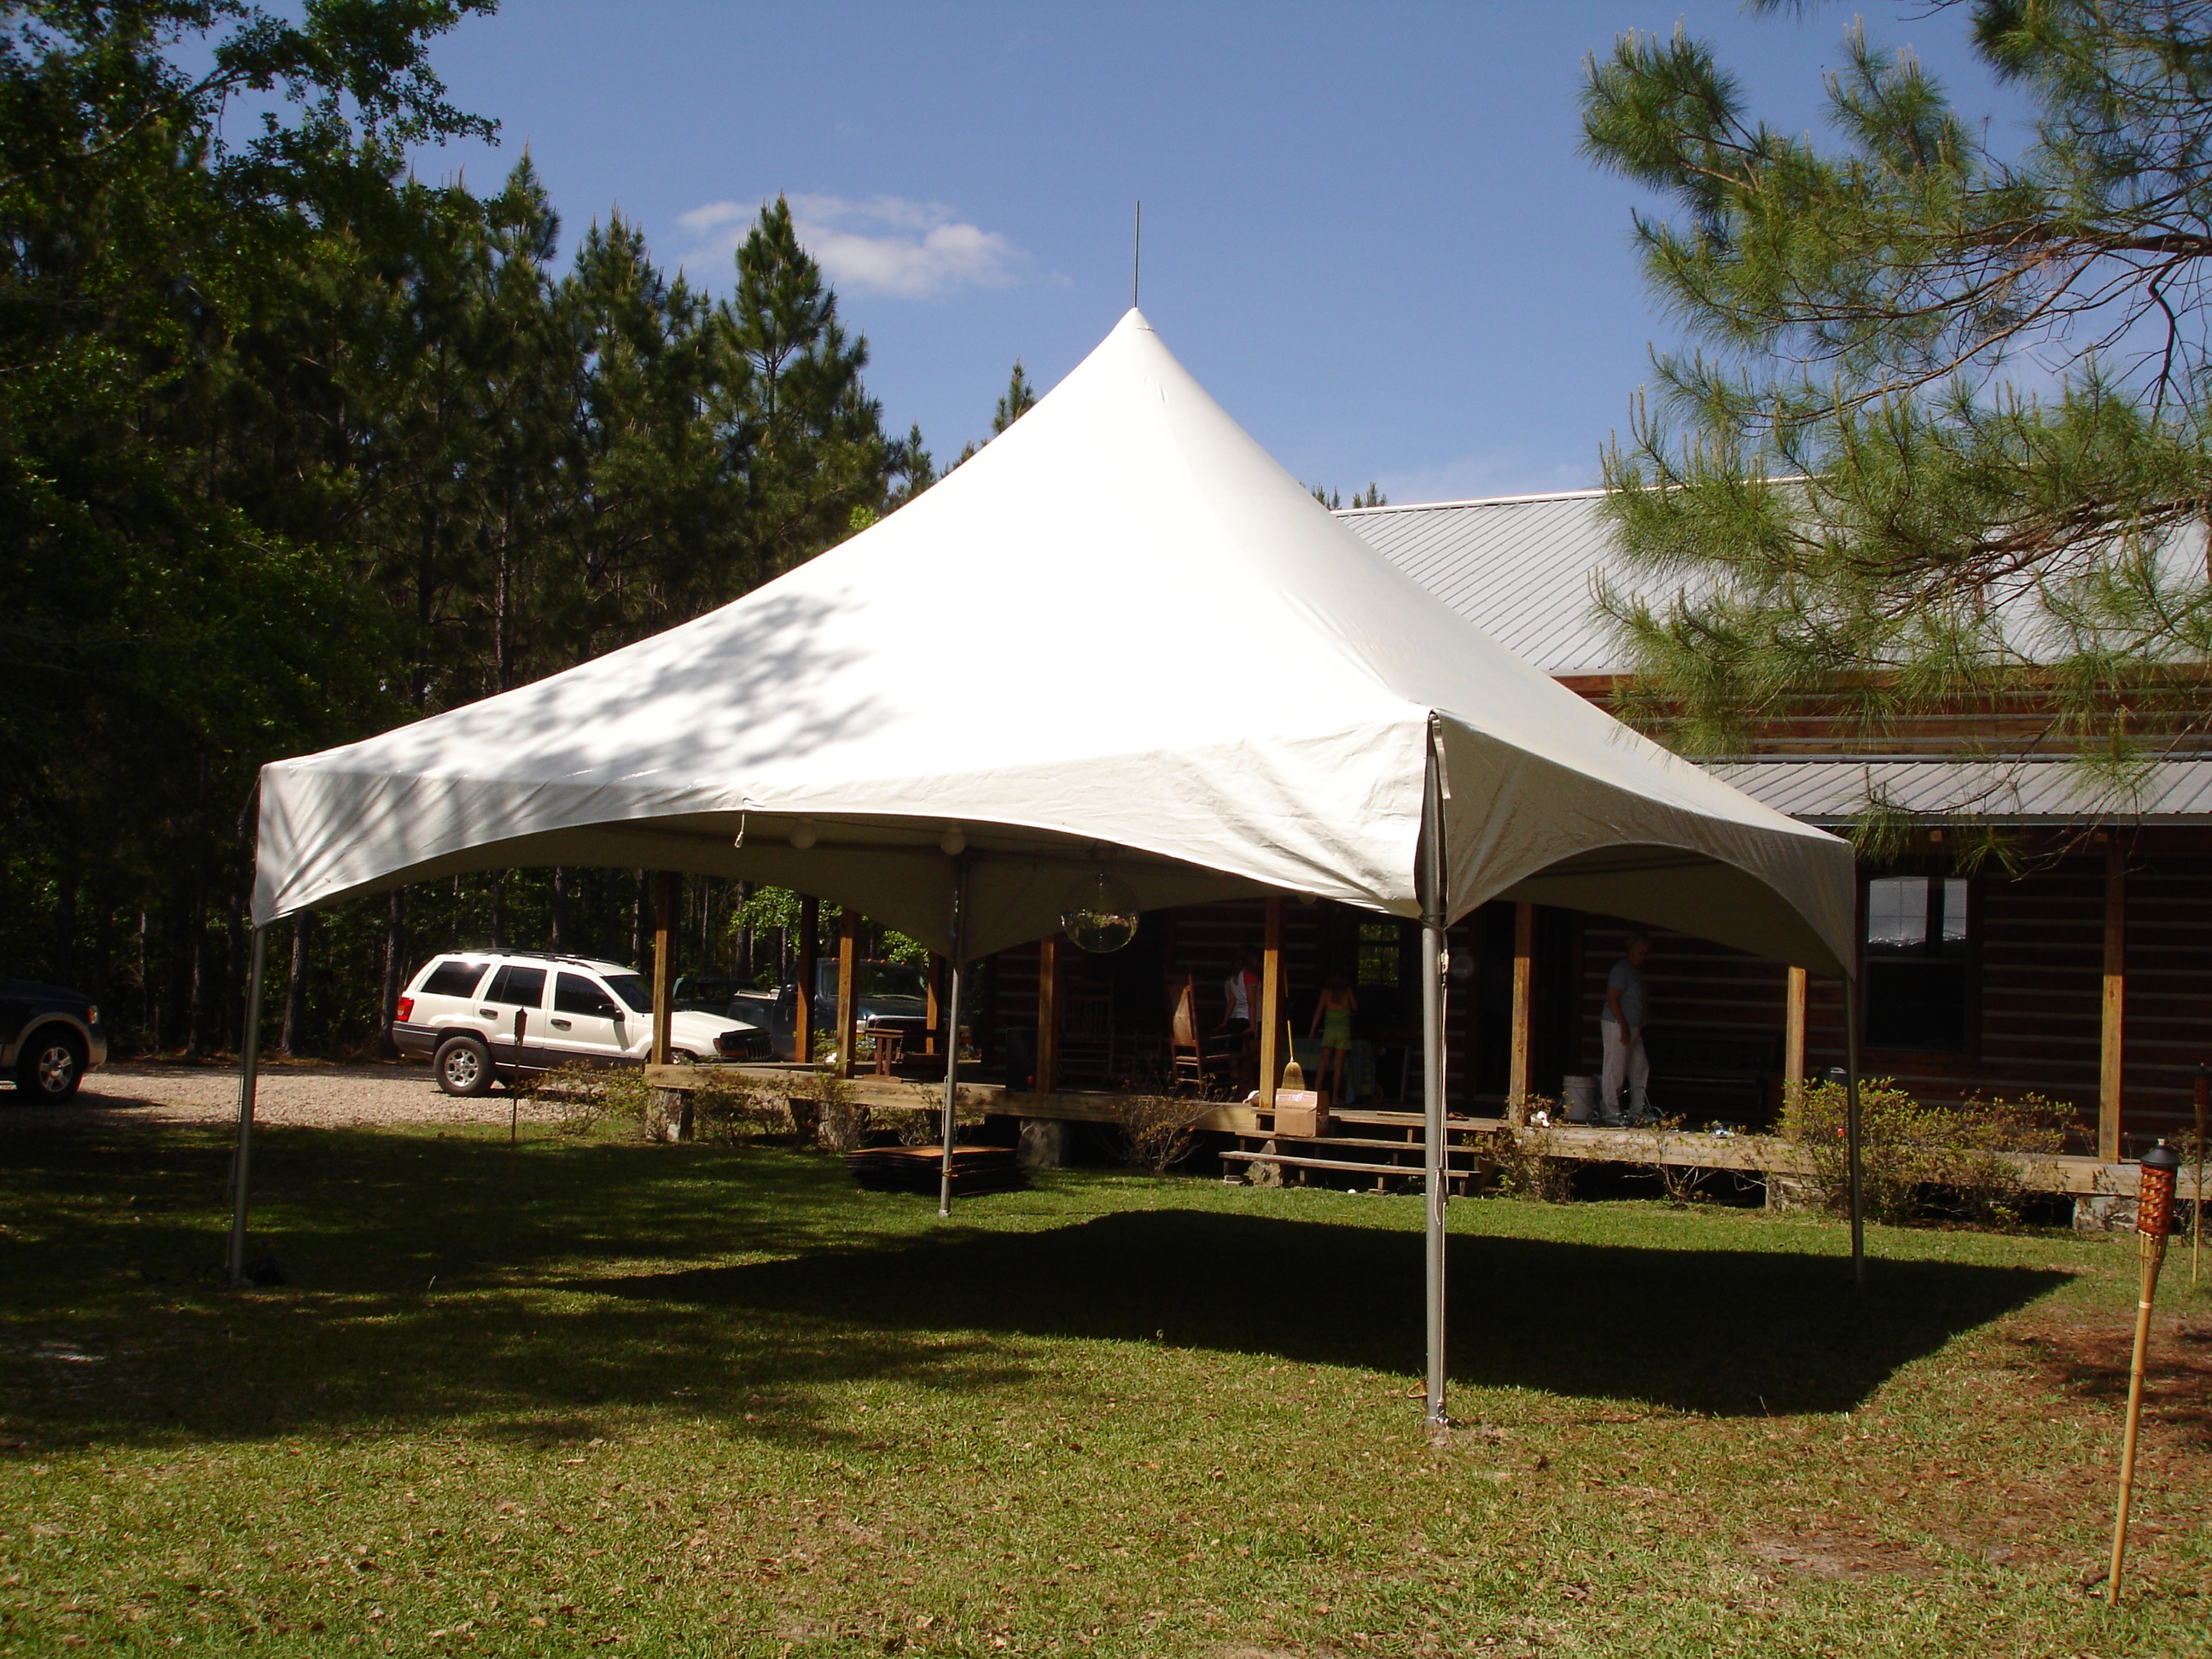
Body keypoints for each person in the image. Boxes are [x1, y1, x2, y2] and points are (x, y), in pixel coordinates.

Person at [1601, 936, 1653, 1126]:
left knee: (1640, 1067)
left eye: (1645, 953)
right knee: (1615, 1067)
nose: (1643, 956)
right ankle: (1611, 1112)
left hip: (1634, 1027)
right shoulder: (1621, 970)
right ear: (1631, 950)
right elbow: (1613, 998)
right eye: (1640, 952)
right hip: (1618, 1025)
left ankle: (1637, 1111)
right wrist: (1623, 1026)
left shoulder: (1635, 972)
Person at [1310, 971, 1357, 1103]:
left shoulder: (1326, 992)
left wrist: (1312, 1030)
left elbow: (1319, 1011)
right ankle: (1335, 1097)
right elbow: (1355, 1007)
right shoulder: (1347, 992)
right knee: (1338, 1066)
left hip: (1329, 1031)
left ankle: (1316, 1092)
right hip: (1343, 1031)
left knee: (1323, 1063)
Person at [1217, 947, 1260, 1041]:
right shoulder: (1250, 976)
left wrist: (1225, 1021)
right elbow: (1251, 1003)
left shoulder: (1234, 976)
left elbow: (1232, 1001)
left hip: (1238, 1018)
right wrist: (1253, 1026)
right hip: (1250, 1019)